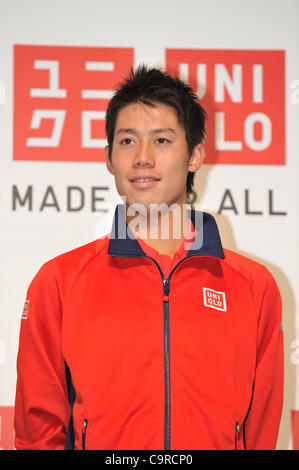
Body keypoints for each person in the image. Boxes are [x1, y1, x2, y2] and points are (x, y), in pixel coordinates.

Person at [14, 65, 283, 450]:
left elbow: (261, 433)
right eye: (127, 141)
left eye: (161, 140)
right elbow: (36, 434)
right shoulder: (60, 281)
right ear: (109, 159)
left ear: (194, 157)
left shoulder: (253, 287)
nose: (142, 157)